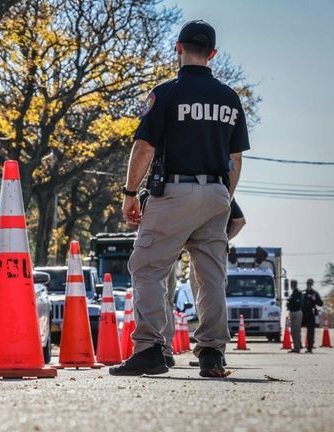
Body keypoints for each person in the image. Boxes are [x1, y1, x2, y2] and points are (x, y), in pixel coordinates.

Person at [109, 20, 250, 378]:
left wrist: (129, 194)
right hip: (218, 193)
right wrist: (223, 197)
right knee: (210, 278)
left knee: (147, 269)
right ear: (213, 54)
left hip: (173, 192)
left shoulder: (167, 93)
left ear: (179, 48)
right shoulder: (230, 98)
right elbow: (235, 159)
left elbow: (143, 147)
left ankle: (151, 349)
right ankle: (212, 355)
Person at [167, 198, 245, 367]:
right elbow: (239, 221)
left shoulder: (178, 188)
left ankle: (210, 349)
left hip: (196, 247)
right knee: (213, 292)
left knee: (202, 298)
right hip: (214, 248)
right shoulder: (222, 191)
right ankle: (215, 350)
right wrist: (224, 238)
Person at [301, 278, 323, 353]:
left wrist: (315, 299)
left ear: (312, 284)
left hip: (311, 314)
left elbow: (320, 303)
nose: (309, 285)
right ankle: (298, 346)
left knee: (310, 332)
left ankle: (309, 348)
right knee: (297, 330)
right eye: (308, 283)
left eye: (310, 283)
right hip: (303, 314)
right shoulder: (303, 293)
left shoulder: (315, 293)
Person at [287, 279, 303, 353]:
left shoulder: (298, 293)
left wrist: (291, 303)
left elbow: (299, 303)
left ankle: (297, 348)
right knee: (293, 331)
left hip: (297, 312)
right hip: (292, 312)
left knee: (296, 331)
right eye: (291, 284)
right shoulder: (292, 293)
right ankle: (295, 347)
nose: (292, 285)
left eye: (293, 284)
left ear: (296, 284)